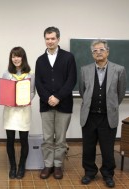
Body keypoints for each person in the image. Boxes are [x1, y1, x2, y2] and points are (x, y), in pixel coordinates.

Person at [79, 39, 126, 188]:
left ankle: (107, 174)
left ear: (107, 52)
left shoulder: (119, 70)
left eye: (101, 50)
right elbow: (82, 91)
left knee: (107, 148)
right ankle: (89, 172)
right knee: (88, 147)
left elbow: (121, 93)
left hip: (107, 116)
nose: (98, 53)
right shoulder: (84, 70)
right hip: (89, 116)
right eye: (95, 50)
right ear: (92, 54)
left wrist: (110, 106)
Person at [35, 26, 77, 179]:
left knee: (60, 138)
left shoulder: (68, 57)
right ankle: (48, 165)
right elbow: (38, 83)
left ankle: (58, 165)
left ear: (58, 39)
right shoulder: (40, 60)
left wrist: (58, 97)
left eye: (53, 38)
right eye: (47, 38)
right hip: (46, 105)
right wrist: (48, 98)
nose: (50, 41)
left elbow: (71, 80)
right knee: (47, 138)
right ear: (44, 40)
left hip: (64, 104)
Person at [2, 47, 35, 179]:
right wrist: (6, 100)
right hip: (10, 110)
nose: (16, 59)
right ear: (11, 58)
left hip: (24, 110)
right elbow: (4, 92)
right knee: (10, 140)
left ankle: (22, 166)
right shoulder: (6, 73)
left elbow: (33, 92)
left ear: (23, 58)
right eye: (13, 56)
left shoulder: (30, 74)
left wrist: (26, 100)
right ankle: (13, 166)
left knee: (23, 140)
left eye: (18, 56)